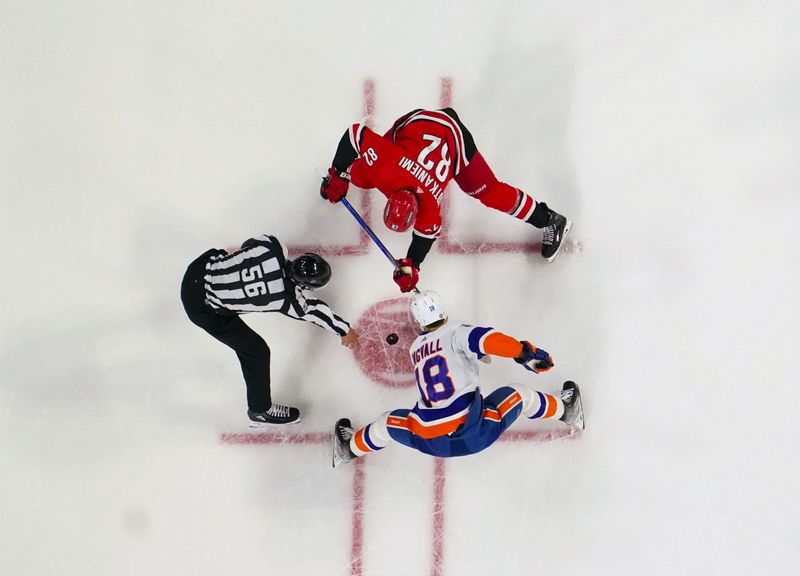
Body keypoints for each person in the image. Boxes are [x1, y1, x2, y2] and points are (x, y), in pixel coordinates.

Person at [320, 108, 572, 293]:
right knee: (363, 176)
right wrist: (338, 173)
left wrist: (413, 264)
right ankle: (345, 176)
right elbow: (355, 135)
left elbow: (423, 239)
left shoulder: (428, 205)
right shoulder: (390, 171)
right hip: (418, 123)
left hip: (455, 138)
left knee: (488, 192)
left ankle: (549, 219)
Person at [332, 290, 583, 467]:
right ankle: (567, 411)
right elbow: (489, 341)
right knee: (518, 394)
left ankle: (348, 450)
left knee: (386, 424)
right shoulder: (456, 330)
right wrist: (523, 352)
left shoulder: (415, 349)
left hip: (430, 438)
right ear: (444, 312)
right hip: (474, 433)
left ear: (418, 323)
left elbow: (447, 360)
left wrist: (473, 356)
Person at [181, 233, 358, 427]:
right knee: (256, 351)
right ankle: (260, 411)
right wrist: (344, 330)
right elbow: (315, 312)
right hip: (201, 308)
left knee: (226, 261)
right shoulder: (287, 299)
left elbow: (248, 244)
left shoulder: (273, 246)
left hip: (198, 270)